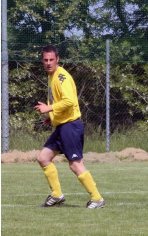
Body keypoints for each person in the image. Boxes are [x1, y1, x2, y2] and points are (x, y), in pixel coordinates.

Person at [33, 45, 105, 209]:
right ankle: (57, 195)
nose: (48, 63)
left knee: (75, 164)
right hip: (62, 126)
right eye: (45, 60)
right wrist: (52, 118)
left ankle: (97, 199)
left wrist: (49, 109)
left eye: (52, 60)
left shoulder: (61, 77)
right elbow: (62, 103)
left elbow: (70, 101)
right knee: (43, 158)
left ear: (57, 59)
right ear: (42, 61)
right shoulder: (52, 76)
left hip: (71, 126)